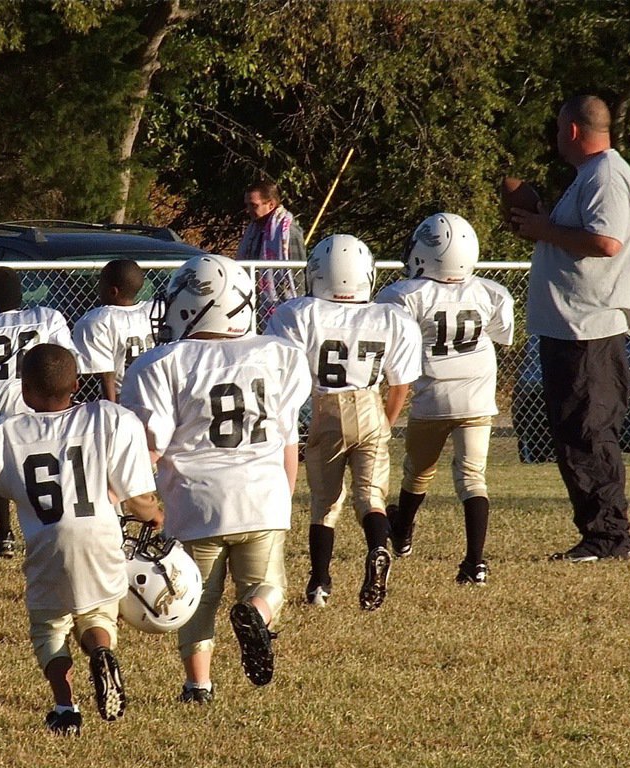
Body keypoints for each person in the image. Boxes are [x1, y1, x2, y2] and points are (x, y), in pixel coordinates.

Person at [0, 344, 163, 736]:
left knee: (49, 628)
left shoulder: (2, 434)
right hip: (101, 534)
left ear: (25, 390)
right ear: (78, 385)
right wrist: (156, 516)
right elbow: (137, 498)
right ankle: (101, 651)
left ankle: (65, 708)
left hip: (48, 541)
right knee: (98, 614)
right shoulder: (110, 418)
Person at [121, 254, 311, 703]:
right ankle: (256, 616)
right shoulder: (280, 355)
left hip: (195, 502)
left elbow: (150, 447)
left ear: (193, 306)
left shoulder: (161, 364)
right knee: (269, 588)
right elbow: (288, 440)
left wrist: (126, 497)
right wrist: (281, 499)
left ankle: (198, 686)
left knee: (196, 599)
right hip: (262, 496)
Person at [511, 94, 630, 563]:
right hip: (573, 326)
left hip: (587, 327)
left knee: (589, 433)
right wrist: (541, 220)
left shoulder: (605, 175)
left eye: (557, 129)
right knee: (576, 433)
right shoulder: (591, 176)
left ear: (571, 130)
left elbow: (607, 242)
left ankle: (608, 538)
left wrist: (543, 230)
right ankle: (600, 534)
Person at [267, 234, 422, 610]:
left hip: (327, 408)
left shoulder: (299, 313)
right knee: (371, 497)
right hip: (370, 404)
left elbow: (280, 371)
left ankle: (320, 583)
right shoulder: (390, 317)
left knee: (325, 502)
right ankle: (378, 548)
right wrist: (384, 421)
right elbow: (401, 383)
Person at [376, 213, 514, 585]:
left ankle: (402, 532)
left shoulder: (405, 295)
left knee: (418, 471)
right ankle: (475, 562)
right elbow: (501, 335)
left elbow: (392, 342)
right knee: (473, 478)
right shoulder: (490, 292)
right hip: (477, 398)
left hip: (433, 397)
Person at [0, 265, 74, 558]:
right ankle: (53, 524)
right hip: (39, 400)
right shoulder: (45, 318)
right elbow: (68, 359)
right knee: (51, 465)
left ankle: (4, 533)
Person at [72, 259, 155, 403]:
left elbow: (107, 376)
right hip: (154, 391)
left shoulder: (98, 320)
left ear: (113, 291)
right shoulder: (153, 311)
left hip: (123, 396)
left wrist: (112, 408)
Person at [237, 180, 307, 324]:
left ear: (271, 204)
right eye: (247, 205)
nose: (248, 210)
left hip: (282, 305)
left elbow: (296, 277)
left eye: (254, 205)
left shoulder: (288, 233)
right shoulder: (253, 231)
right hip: (255, 304)